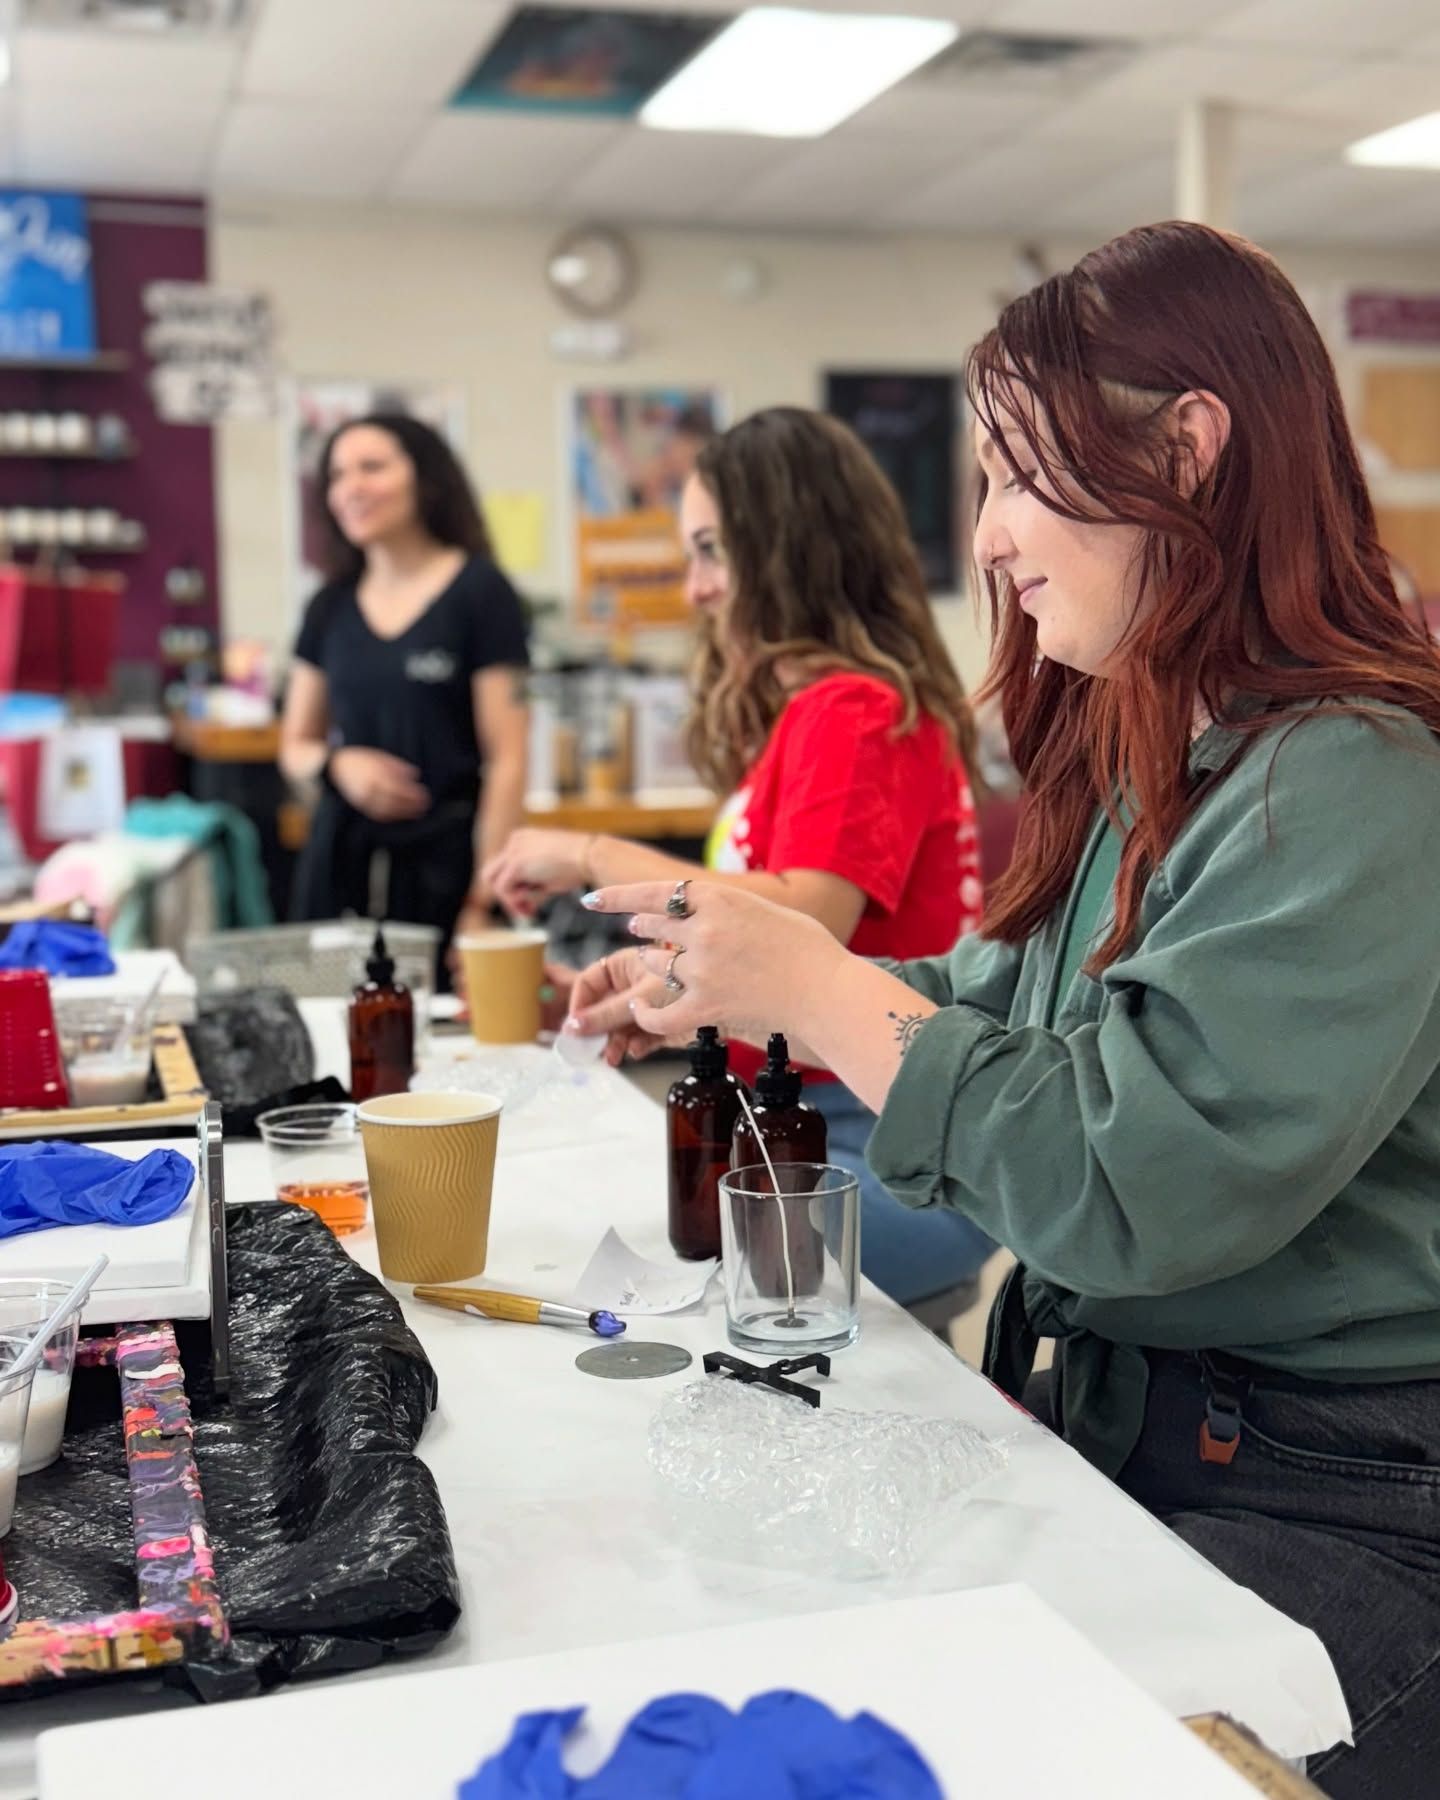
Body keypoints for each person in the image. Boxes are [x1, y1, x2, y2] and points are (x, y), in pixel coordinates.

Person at [565, 223, 1440, 1796]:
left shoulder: (1359, 780)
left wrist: (817, 982)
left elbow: (1127, 1184)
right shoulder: (1171, 752)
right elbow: (1006, 997)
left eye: (1020, 478)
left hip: (1342, 1490)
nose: (993, 540)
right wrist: (753, 994)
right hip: (1141, 1422)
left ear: (1189, 446)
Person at [484, 406, 994, 1325]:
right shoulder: (819, 713)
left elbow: (804, 919)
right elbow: (780, 956)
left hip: (868, 1143)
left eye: (714, 550)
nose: (698, 588)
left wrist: (592, 852)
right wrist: (661, 988)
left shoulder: (855, 710)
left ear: (792, 545)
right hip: (814, 1122)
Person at [280, 415, 530, 978]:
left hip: (449, 872)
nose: (351, 487)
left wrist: (482, 903)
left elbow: (509, 759)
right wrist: (338, 764)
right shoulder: (328, 606)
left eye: (373, 467)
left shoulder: (481, 593)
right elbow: (295, 743)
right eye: (338, 474)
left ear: (426, 479)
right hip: (341, 868)